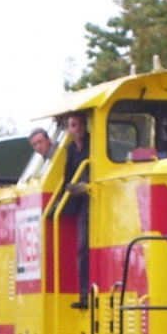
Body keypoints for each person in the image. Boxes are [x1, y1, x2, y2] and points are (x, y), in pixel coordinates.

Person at [62, 113, 90, 309]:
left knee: (85, 246)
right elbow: (67, 178)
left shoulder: (95, 145)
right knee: (82, 247)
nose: (78, 128)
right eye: (73, 125)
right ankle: (83, 293)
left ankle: (87, 294)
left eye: (80, 124)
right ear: (69, 130)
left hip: (94, 198)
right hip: (81, 203)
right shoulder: (69, 150)